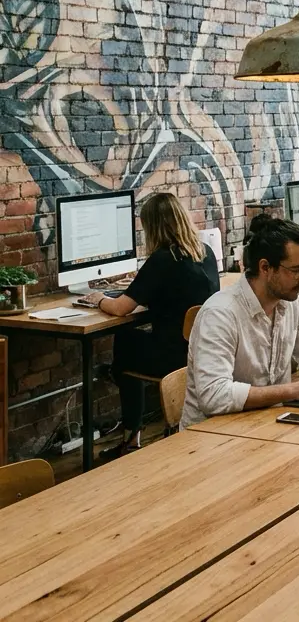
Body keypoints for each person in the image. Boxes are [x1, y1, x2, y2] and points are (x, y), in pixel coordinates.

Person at [77, 192, 219, 459]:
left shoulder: (163, 259)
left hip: (173, 358)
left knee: (125, 340)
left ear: (153, 226)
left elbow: (120, 309)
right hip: (201, 353)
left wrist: (99, 299)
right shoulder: (205, 252)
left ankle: (131, 436)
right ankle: (128, 416)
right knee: (131, 343)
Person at [180, 215, 299, 429]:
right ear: (265, 268)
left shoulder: (290, 302)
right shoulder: (220, 314)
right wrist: (293, 390)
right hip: (211, 434)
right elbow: (214, 396)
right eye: (297, 270)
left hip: (266, 422)